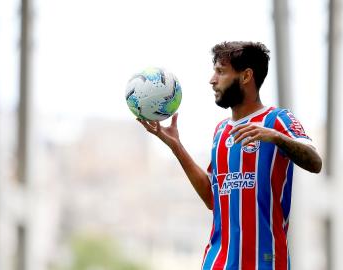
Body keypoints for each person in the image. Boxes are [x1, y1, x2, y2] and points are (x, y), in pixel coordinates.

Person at [137, 41, 322, 270]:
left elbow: (315, 162)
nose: (212, 79)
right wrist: (177, 146)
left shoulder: (278, 120)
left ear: (246, 76)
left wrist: (276, 137)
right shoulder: (221, 131)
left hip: (265, 263)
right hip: (218, 262)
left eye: (221, 71)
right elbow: (212, 199)